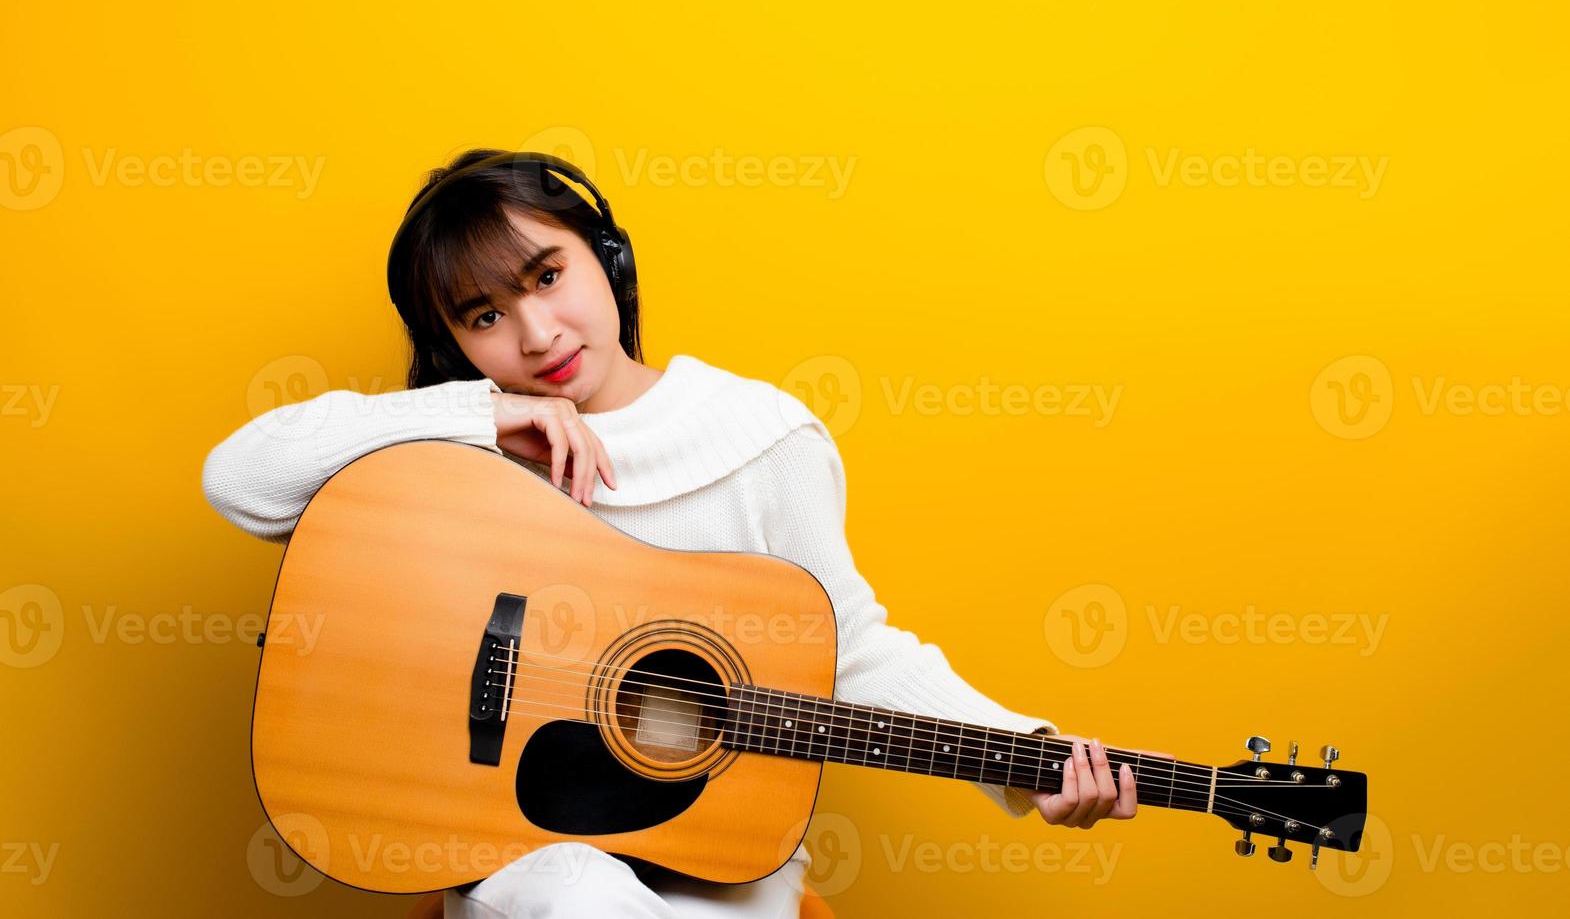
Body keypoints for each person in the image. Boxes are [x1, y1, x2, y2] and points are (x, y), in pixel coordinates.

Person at [202, 149, 1144, 918]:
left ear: (605, 256)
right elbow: (239, 482)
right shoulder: (458, 461)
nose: (535, 334)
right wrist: (480, 417)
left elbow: (849, 649)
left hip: (716, 869)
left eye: (548, 275)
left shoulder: (757, 437)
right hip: (527, 865)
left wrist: (1030, 755)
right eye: (485, 316)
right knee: (575, 894)